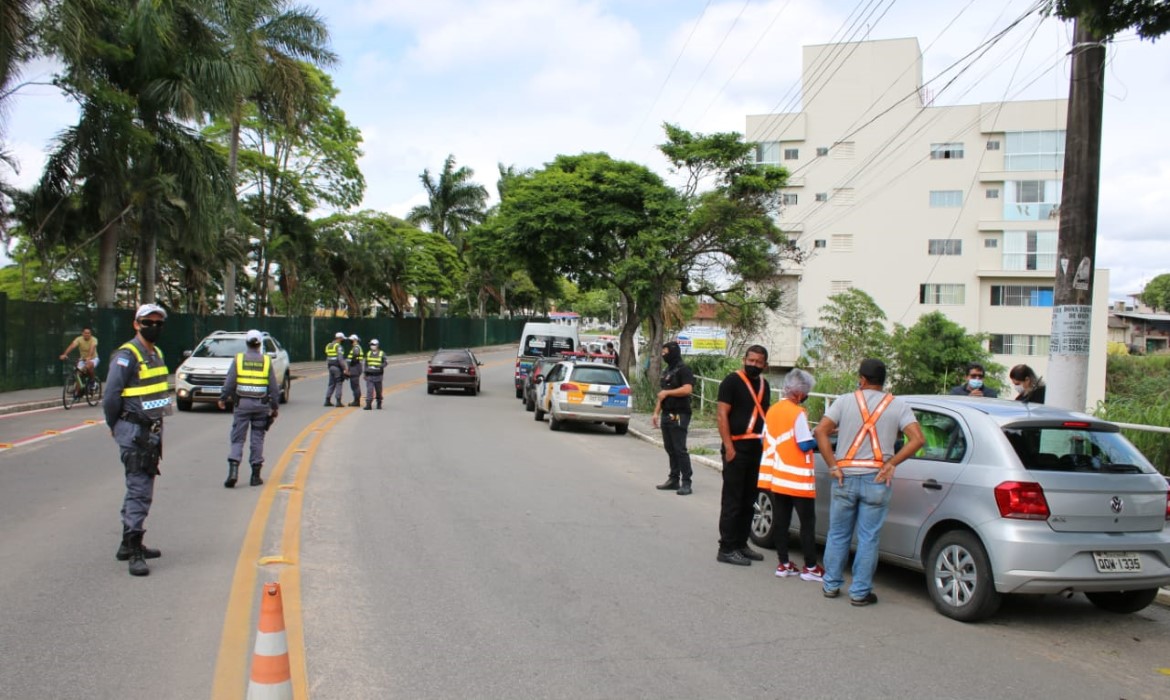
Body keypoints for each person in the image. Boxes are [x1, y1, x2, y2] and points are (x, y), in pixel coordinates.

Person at [814, 359, 924, 605]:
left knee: (838, 534)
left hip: (844, 477)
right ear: (883, 380)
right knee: (868, 537)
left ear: (862, 379)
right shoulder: (898, 405)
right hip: (876, 479)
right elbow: (917, 439)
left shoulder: (844, 401)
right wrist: (891, 464)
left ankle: (831, 585)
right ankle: (860, 592)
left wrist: (833, 465)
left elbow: (820, 431)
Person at [103, 304, 171, 576]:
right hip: (135, 431)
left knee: (139, 485)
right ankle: (133, 550)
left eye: (157, 322)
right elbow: (111, 396)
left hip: (151, 430)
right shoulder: (126, 355)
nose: (153, 326)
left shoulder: (156, 353)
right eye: (147, 322)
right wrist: (114, 425)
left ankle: (126, 543)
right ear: (136, 324)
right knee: (140, 489)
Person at [758, 369, 822, 581]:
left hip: (777, 475)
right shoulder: (798, 413)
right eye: (806, 391)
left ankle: (783, 564)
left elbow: (764, 440)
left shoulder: (773, 410)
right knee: (807, 523)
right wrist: (819, 436)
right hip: (798, 479)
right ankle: (811, 568)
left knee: (782, 521)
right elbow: (804, 444)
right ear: (799, 393)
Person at [714, 345, 772, 566]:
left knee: (750, 500)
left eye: (759, 362)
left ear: (765, 365)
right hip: (736, 448)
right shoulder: (731, 381)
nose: (754, 365)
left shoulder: (764, 384)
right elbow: (722, 415)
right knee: (733, 499)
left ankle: (741, 543)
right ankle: (726, 547)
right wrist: (729, 447)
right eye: (751, 360)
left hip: (756, 449)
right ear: (744, 360)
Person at [218, 329, 279, 488]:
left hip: (242, 406)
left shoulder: (238, 359)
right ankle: (255, 476)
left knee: (238, 439)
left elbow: (230, 382)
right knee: (257, 438)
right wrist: (275, 407)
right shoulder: (266, 361)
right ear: (260, 344)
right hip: (261, 406)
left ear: (246, 343)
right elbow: (273, 387)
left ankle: (233, 473)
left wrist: (223, 398)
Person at [651, 341, 695, 495]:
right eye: (662, 352)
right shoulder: (667, 370)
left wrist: (668, 393)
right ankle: (673, 479)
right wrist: (656, 412)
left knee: (679, 448)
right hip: (666, 412)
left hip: (680, 413)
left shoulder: (684, 369)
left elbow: (687, 389)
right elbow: (662, 393)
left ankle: (686, 482)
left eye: (666, 352)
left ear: (673, 352)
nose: (664, 355)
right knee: (670, 448)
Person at [324, 331, 347, 407]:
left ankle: (327, 400)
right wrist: (345, 368)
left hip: (330, 367)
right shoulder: (338, 347)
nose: (343, 340)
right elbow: (340, 359)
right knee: (338, 383)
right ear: (339, 338)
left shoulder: (328, 345)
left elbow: (327, 357)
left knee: (331, 384)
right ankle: (338, 401)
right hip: (337, 368)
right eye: (342, 339)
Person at [363, 339, 385, 410]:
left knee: (378, 391)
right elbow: (366, 364)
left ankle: (379, 403)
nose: (372, 346)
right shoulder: (368, 353)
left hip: (378, 375)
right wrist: (365, 373)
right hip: (369, 375)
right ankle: (368, 404)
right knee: (369, 390)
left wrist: (380, 366)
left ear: (377, 345)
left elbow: (385, 363)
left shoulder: (382, 353)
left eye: (373, 344)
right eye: (371, 345)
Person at [345, 333, 363, 406]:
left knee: (355, 385)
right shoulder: (355, 347)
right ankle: (356, 400)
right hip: (355, 367)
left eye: (351, 340)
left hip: (355, 368)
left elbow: (355, 358)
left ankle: (356, 401)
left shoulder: (356, 348)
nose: (350, 341)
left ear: (355, 340)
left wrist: (349, 370)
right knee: (354, 385)